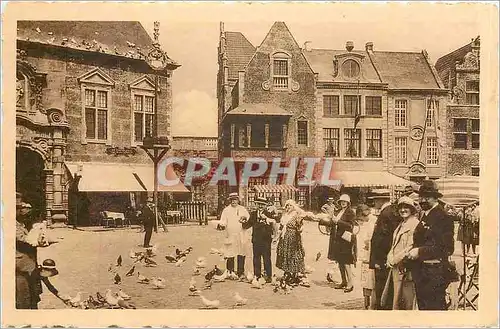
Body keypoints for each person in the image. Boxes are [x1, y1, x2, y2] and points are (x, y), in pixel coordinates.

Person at [407, 180, 455, 310]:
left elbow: (447, 248)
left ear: (435, 198)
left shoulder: (443, 217)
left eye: (426, 197)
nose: (422, 200)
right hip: (422, 273)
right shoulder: (425, 215)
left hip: (435, 273)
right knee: (424, 308)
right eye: (420, 196)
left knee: (435, 310)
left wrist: (420, 251)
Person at [369, 186, 414, 309]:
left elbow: (380, 240)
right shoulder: (392, 211)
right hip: (389, 258)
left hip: (385, 259)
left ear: (380, 200)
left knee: (385, 290)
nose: (374, 203)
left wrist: (377, 260)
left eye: (375, 200)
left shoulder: (387, 212)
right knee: (389, 291)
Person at [15, 193, 59, 309]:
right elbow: (25, 240)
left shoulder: (22, 224)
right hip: (20, 269)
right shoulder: (11, 225)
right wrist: (45, 242)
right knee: (23, 301)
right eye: (20, 208)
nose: (24, 211)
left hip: (29, 266)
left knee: (33, 298)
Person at [381, 196, 420, 310]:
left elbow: (410, 246)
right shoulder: (401, 224)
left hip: (406, 266)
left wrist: (394, 259)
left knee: (407, 299)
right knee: (396, 297)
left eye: (406, 207)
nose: (403, 210)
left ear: (412, 209)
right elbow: (394, 245)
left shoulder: (414, 224)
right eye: (401, 208)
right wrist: (389, 257)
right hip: (396, 267)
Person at [327, 194, 356, 293]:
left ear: (348, 203)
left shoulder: (350, 212)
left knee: (346, 262)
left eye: (345, 201)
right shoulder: (339, 211)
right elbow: (334, 223)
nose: (343, 203)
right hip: (338, 239)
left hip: (346, 239)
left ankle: (350, 283)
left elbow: (351, 226)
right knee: (340, 261)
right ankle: (344, 281)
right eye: (341, 201)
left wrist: (338, 221)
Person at [219, 192, 251, 279]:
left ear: (238, 200)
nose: (234, 201)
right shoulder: (226, 210)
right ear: (230, 201)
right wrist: (222, 225)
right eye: (232, 200)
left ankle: (240, 271)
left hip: (241, 233)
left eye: (235, 200)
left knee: (241, 251)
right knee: (230, 252)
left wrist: (244, 220)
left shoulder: (242, 209)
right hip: (230, 234)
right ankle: (230, 271)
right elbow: (223, 221)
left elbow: (248, 219)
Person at [276, 200, 307, 286]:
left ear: (293, 207)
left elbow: (300, 226)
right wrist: (278, 234)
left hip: (293, 237)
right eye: (287, 206)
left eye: (290, 206)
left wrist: (300, 229)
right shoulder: (284, 216)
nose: (288, 207)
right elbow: (281, 226)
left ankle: (294, 275)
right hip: (284, 237)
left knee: (293, 255)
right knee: (285, 254)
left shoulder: (296, 216)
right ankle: (287, 273)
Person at [246, 196, 276, 283]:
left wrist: (273, 235)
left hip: (266, 240)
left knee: (267, 257)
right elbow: (248, 224)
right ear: (256, 204)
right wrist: (242, 222)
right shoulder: (253, 214)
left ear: (266, 205)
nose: (260, 206)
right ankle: (257, 275)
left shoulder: (269, 214)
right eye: (258, 204)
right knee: (256, 258)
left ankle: (269, 275)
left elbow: (273, 224)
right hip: (256, 239)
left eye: (262, 205)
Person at [357, 204, 377, 309]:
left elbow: (372, 238)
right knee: (365, 278)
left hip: (370, 252)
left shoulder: (373, 221)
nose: (361, 220)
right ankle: (366, 301)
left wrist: (367, 243)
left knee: (369, 278)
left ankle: (370, 301)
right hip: (365, 252)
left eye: (362, 217)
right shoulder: (367, 222)